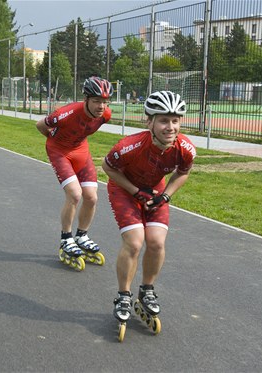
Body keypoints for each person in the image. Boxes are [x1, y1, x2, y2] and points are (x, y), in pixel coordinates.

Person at [102, 91, 196, 324]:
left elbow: (183, 173)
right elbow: (107, 167)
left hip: (155, 191)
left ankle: (147, 290)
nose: (170, 127)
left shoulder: (185, 148)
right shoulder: (130, 146)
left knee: (156, 241)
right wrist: (135, 191)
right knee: (134, 242)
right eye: (164, 120)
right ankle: (124, 295)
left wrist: (165, 196)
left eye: (175, 121)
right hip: (124, 190)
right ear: (149, 121)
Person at [36, 76, 113, 263]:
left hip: (80, 151)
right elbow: (40, 125)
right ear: (85, 99)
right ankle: (66, 238)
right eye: (96, 101)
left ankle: (81, 235)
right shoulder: (66, 113)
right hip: (59, 151)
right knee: (74, 194)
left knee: (92, 197)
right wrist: (54, 139)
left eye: (104, 102)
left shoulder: (105, 116)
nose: (101, 106)